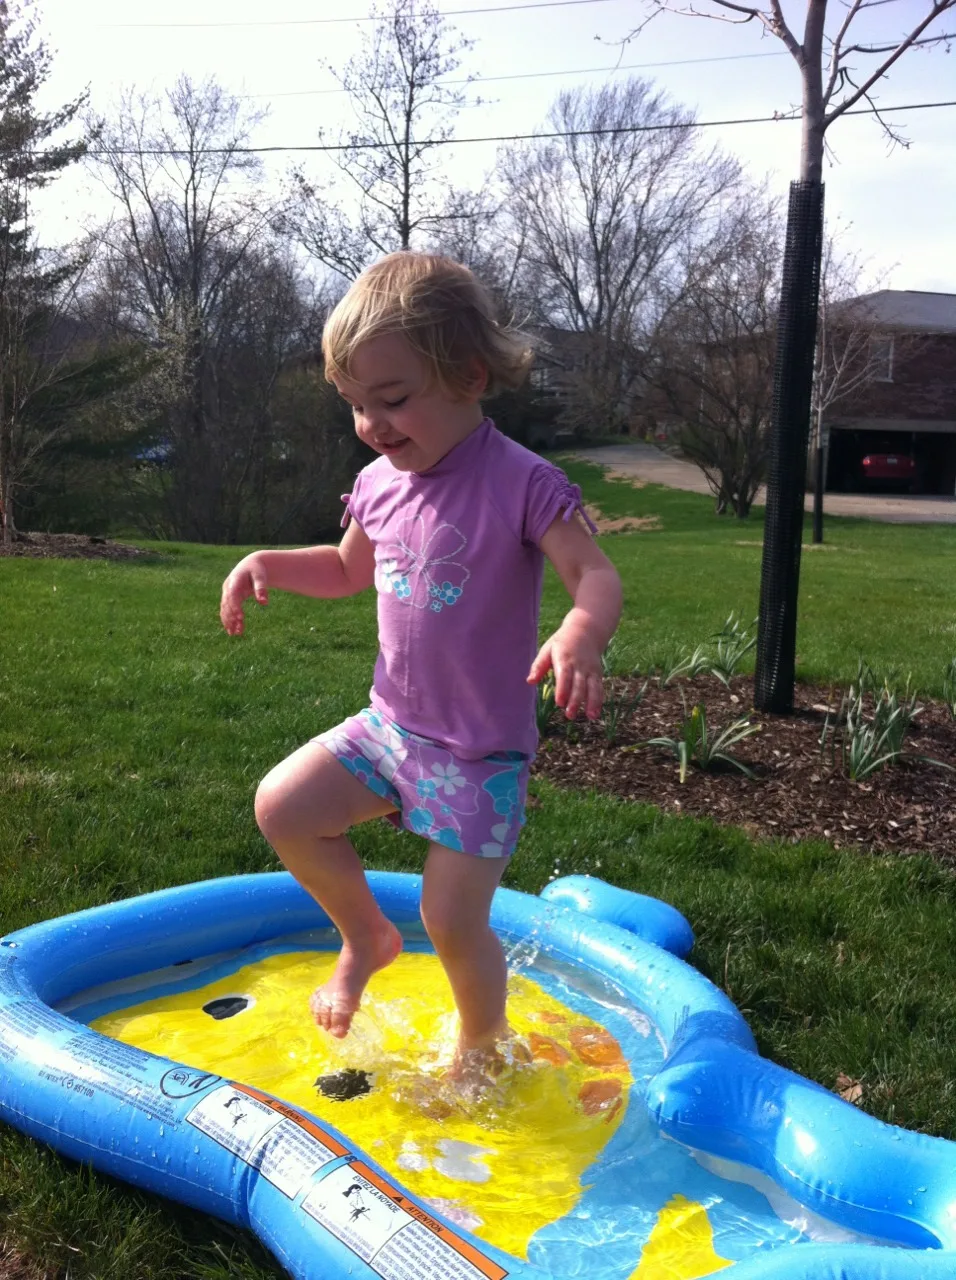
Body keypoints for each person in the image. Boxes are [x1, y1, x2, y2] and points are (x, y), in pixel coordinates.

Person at [220, 251, 622, 1086]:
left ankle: (481, 1041)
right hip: (390, 729)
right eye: (356, 405)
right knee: (285, 807)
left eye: (393, 399)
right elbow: (343, 570)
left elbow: (595, 574)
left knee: (451, 916)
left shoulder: (524, 483)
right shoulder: (378, 482)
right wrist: (268, 561)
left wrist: (582, 630)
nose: (372, 423)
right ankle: (365, 935)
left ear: (469, 376)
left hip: (477, 754)